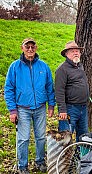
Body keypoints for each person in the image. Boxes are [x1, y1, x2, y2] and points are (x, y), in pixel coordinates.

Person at [4, 38, 55, 174]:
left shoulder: (43, 66)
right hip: (22, 109)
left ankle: (40, 161)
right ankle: (22, 165)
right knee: (23, 138)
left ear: (36, 48)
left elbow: (50, 86)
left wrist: (51, 105)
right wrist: (12, 110)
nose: (30, 49)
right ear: (22, 48)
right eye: (27, 47)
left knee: (40, 137)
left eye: (33, 47)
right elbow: (9, 89)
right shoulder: (15, 67)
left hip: (40, 108)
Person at [55, 40, 89, 142]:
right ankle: (64, 157)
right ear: (66, 54)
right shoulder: (62, 69)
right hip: (70, 109)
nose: (76, 53)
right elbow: (59, 90)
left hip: (83, 108)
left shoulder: (80, 66)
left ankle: (80, 157)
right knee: (65, 137)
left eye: (77, 51)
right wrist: (62, 110)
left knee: (83, 136)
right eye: (72, 51)